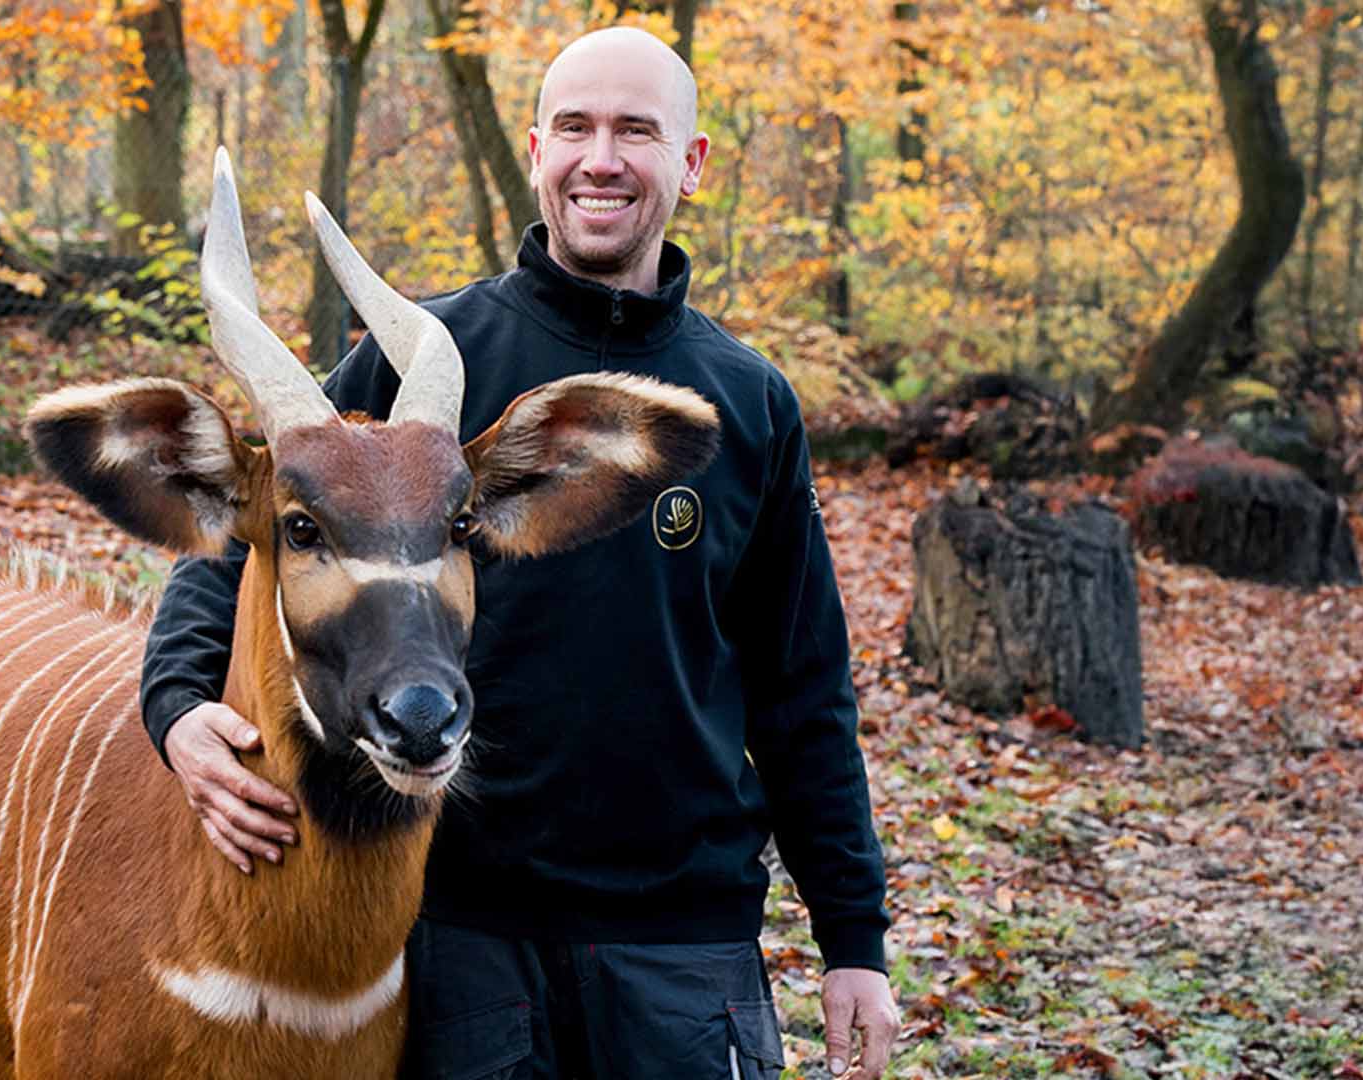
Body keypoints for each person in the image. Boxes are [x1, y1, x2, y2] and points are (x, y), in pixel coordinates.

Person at [140, 25, 899, 1080]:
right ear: (537, 150)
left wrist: (852, 938)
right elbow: (240, 541)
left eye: (637, 130)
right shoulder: (419, 369)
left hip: (681, 946)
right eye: (577, 128)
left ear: (691, 161)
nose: (603, 158)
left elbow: (802, 685)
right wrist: (176, 713)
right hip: (463, 933)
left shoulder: (748, 402)